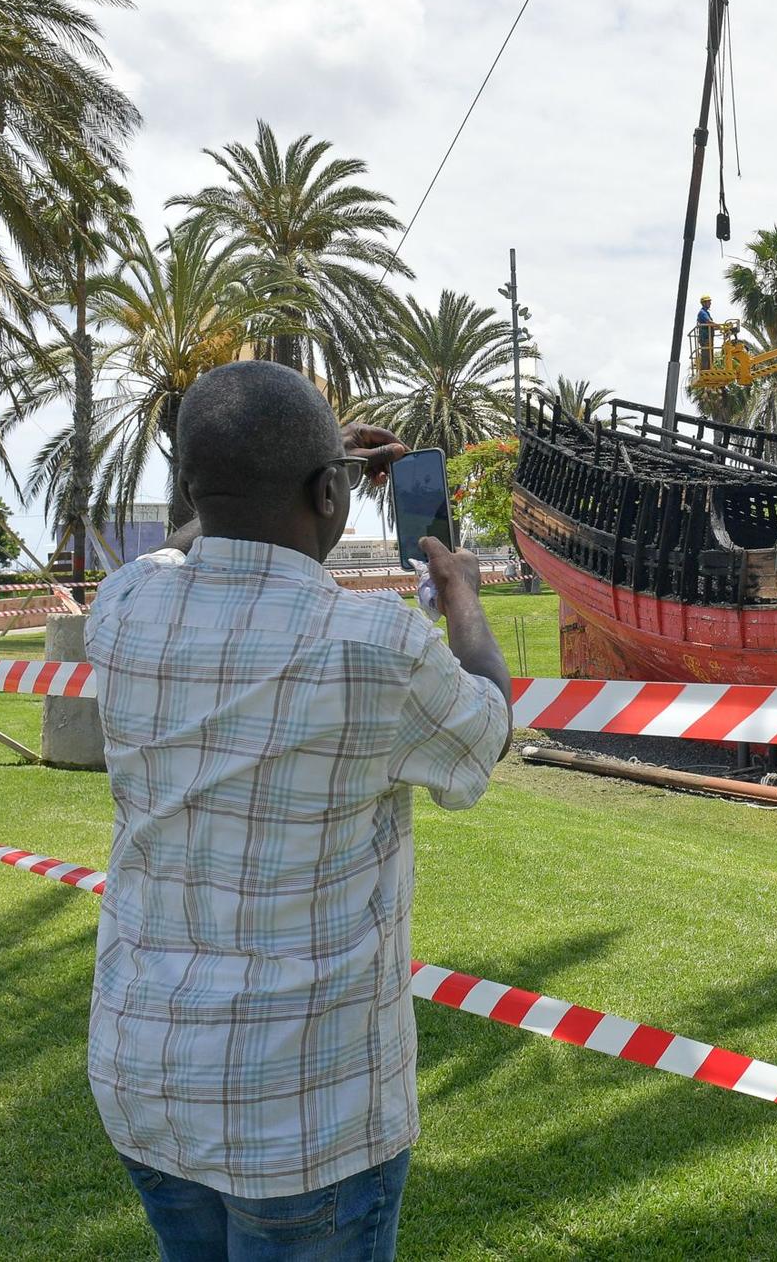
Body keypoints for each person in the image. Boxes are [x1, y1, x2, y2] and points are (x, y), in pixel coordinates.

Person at [85, 360, 512, 1261]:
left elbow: (198, 528)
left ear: (197, 487)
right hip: (306, 1117)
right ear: (331, 492)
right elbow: (484, 731)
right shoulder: (373, 641)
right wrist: (462, 594)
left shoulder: (122, 607)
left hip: (145, 1081)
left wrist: (276, 471)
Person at [695, 293, 715, 373]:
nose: (710, 303)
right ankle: (704, 371)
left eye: (710, 301)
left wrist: (720, 328)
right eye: (708, 302)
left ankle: (709, 370)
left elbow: (711, 325)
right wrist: (719, 326)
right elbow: (709, 322)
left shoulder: (706, 312)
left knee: (710, 355)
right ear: (703, 303)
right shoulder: (702, 312)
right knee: (706, 355)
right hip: (705, 338)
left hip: (709, 338)